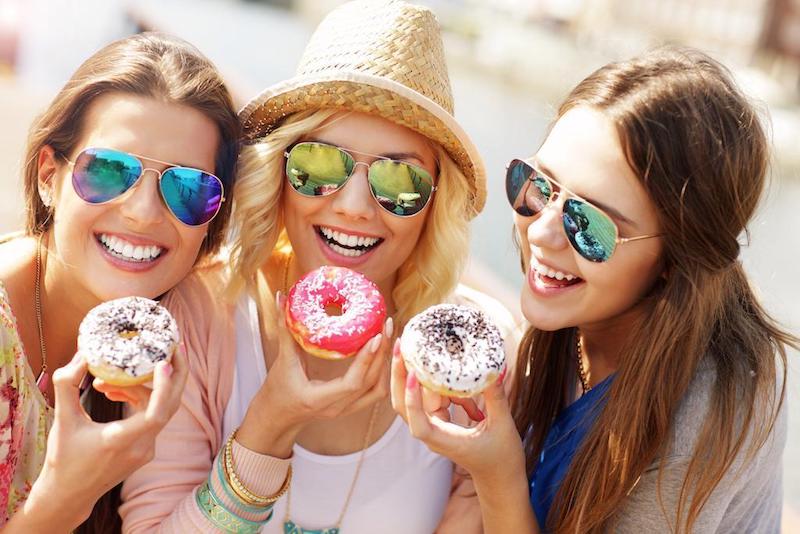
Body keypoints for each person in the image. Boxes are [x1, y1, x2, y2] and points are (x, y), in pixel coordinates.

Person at [119, 1, 519, 532]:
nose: (354, 205)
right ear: (280, 173)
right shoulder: (199, 314)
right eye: (320, 164)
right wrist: (270, 422)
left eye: (400, 180)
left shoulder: (470, 361)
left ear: (435, 203)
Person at [392, 46, 797, 533]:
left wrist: (497, 474)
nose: (541, 232)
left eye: (590, 227)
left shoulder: (709, 410)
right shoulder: (575, 328)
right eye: (539, 187)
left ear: (676, 259)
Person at [0, 32, 240, 532]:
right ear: (50, 176)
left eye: (189, 188)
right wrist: (68, 494)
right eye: (110, 170)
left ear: (212, 221)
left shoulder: (182, 336)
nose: (143, 212)